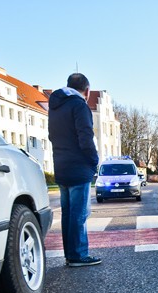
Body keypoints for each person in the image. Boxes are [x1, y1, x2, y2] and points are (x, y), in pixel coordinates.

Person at [48, 73, 101, 267]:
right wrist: (93, 161)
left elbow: (51, 135)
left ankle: (70, 254)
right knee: (79, 214)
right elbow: (85, 137)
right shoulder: (79, 106)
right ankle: (78, 255)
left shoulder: (55, 106)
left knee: (68, 213)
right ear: (87, 90)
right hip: (79, 167)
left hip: (61, 166)